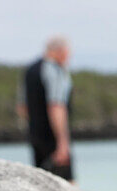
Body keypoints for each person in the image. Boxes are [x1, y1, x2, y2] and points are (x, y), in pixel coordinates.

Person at [18, 36, 74, 182]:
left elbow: (23, 108)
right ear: (60, 51)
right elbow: (56, 106)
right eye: (68, 52)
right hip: (52, 138)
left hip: (36, 136)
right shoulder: (55, 70)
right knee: (68, 186)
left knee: (43, 183)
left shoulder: (30, 70)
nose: (69, 57)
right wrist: (62, 144)